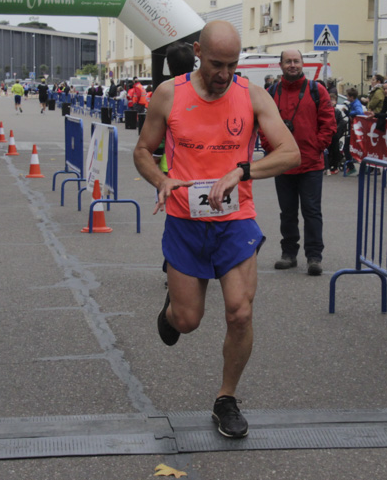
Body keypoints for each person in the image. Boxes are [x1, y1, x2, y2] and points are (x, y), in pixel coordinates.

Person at [133, 21, 299, 439]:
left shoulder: (252, 96)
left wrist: (244, 170)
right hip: (185, 220)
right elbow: (142, 151)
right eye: (216, 64)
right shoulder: (170, 94)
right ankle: (173, 309)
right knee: (188, 321)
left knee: (240, 313)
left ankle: (226, 399)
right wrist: (161, 180)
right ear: (197, 53)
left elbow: (291, 153)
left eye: (232, 64)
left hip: (234, 220)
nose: (224, 74)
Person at [264, 50, 336, 276]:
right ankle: (289, 254)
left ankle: (314, 257)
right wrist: (272, 149)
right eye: (288, 61)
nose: (292, 65)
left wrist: (317, 146)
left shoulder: (317, 90)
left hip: (311, 163)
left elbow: (328, 122)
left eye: (296, 61)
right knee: (287, 212)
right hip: (283, 163)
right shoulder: (272, 92)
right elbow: (262, 124)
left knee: (312, 212)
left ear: (302, 64)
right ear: (281, 64)